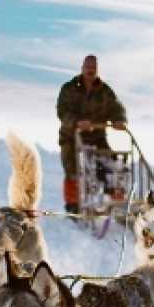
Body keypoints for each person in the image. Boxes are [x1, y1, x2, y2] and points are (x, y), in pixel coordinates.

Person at [56, 54, 127, 214]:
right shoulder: (69, 88)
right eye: (88, 67)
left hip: (97, 137)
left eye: (93, 68)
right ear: (82, 68)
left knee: (111, 162)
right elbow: (62, 111)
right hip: (72, 137)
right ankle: (73, 206)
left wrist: (119, 120)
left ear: (97, 70)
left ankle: (115, 199)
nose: (90, 71)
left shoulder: (105, 91)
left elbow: (116, 108)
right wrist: (77, 122)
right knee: (72, 170)